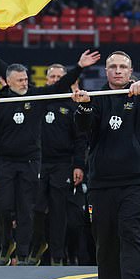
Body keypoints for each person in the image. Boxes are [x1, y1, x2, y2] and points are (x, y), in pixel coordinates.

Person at [0, 50, 100, 266]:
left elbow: (61, 87)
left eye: (26, 79)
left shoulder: (37, 97)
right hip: (6, 161)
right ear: (8, 82)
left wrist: (79, 67)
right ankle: (8, 244)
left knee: (28, 209)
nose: (24, 83)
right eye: (20, 80)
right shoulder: (0, 103)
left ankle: (25, 254)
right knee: (4, 206)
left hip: (33, 162)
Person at [72, 50, 140, 279]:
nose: (118, 71)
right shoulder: (96, 96)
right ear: (106, 71)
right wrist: (84, 106)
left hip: (136, 183)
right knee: (106, 243)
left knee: (132, 237)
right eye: (113, 67)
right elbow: (82, 128)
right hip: (101, 185)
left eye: (122, 67)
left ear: (130, 71)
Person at [32, 63, 87, 266]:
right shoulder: (37, 101)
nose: (55, 80)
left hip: (62, 165)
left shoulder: (72, 106)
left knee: (58, 212)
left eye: (59, 77)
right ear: (46, 80)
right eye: (52, 77)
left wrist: (78, 165)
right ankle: (35, 250)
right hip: (37, 164)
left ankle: (57, 256)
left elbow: (81, 139)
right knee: (35, 210)